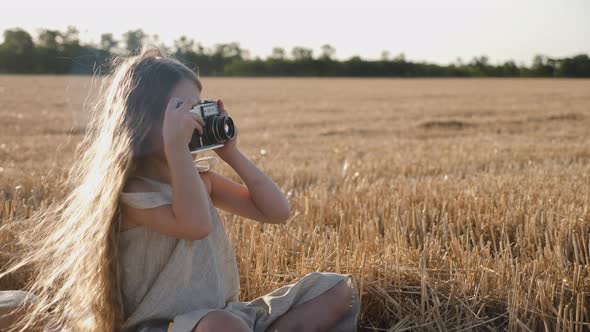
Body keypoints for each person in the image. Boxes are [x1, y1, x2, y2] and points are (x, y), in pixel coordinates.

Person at [0, 45, 360, 332]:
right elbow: (194, 225)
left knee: (334, 288)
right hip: (160, 325)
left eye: (197, 107)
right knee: (221, 326)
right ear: (140, 120)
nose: (195, 119)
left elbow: (276, 212)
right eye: (181, 109)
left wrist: (231, 154)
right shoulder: (133, 195)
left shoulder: (200, 179)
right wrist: (176, 149)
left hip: (223, 317)